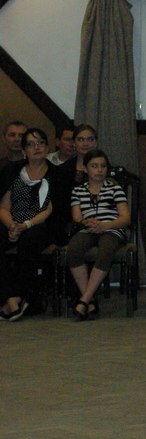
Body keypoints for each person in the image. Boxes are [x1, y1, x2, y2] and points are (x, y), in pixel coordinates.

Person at [66, 149, 131, 321]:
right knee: (73, 249)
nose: (100, 170)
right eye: (94, 166)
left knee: (106, 250)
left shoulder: (115, 189)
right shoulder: (78, 191)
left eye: (103, 166)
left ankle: (84, 300)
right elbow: (76, 217)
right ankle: (90, 301)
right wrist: (87, 222)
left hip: (112, 229)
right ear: (85, 168)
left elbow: (126, 218)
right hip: (88, 228)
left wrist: (105, 226)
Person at [0, 128, 55, 319]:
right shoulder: (12, 172)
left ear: (47, 148)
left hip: (42, 224)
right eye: (31, 144)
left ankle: (17, 297)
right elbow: (4, 207)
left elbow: (50, 210)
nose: (36, 147)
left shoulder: (56, 174)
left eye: (40, 143)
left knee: (29, 241)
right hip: (13, 221)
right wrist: (11, 225)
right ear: (24, 150)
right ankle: (10, 297)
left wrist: (26, 225)